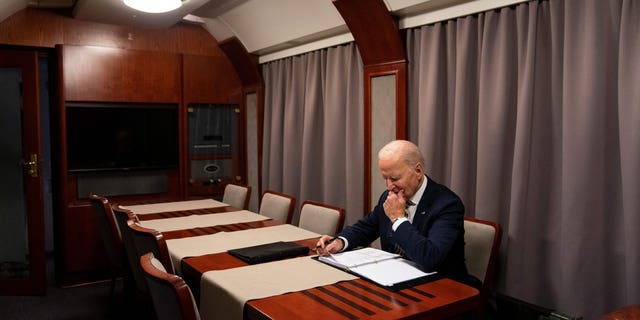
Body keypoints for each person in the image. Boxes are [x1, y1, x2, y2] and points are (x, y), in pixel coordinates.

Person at [317, 139, 480, 289]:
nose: (389, 186)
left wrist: (398, 219)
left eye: (394, 178)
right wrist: (340, 241)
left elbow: (430, 258)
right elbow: (366, 227)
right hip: (395, 282)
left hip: (441, 288)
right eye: (385, 178)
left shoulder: (447, 204)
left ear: (418, 171)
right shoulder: (389, 197)